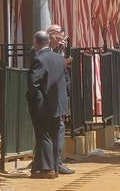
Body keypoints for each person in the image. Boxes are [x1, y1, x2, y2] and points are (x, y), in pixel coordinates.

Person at [26, 30, 68, 178]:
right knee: (56, 135)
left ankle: (47, 169)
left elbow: (33, 83)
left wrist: (32, 98)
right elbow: (65, 81)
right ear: (48, 42)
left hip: (43, 104)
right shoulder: (59, 58)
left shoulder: (39, 59)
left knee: (44, 135)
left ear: (36, 43)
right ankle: (55, 167)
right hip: (58, 104)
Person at [45, 24, 74, 175]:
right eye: (58, 35)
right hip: (50, 96)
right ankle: (55, 163)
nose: (61, 39)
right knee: (55, 129)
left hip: (60, 93)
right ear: (50, 35)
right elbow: (49, 67)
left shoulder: (59, 51)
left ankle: (54, 162)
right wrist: (63, 60)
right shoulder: (44, 51)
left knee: (58, 128)